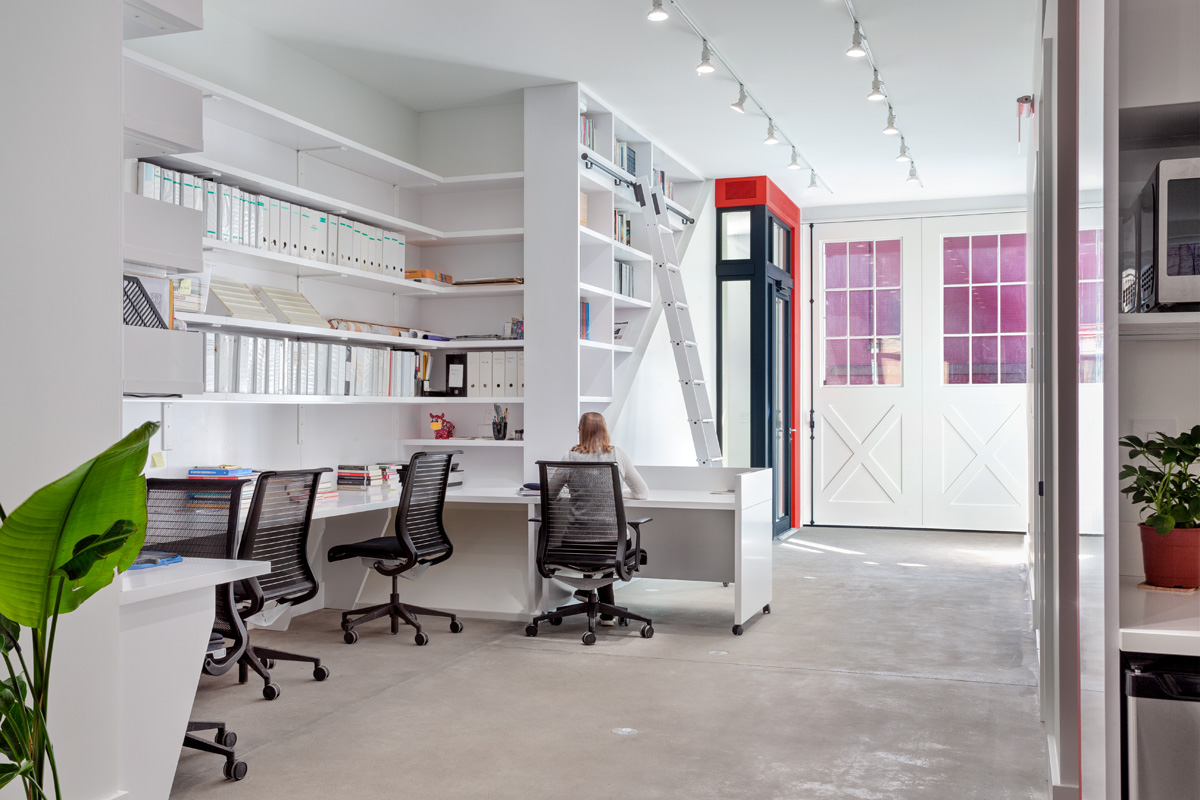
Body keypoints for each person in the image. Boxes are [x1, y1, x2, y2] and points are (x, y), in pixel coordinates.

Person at [551, 412, 648, 626]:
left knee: (596, 547)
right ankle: (605, 609)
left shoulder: (570, 456)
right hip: (612, 545)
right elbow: (642, 492)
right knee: (610, 545)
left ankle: (599, 605)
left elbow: (550, 493)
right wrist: (615, 494)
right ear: (605, 430)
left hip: (575, 546)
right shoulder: (617, 455)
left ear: (581, 431)